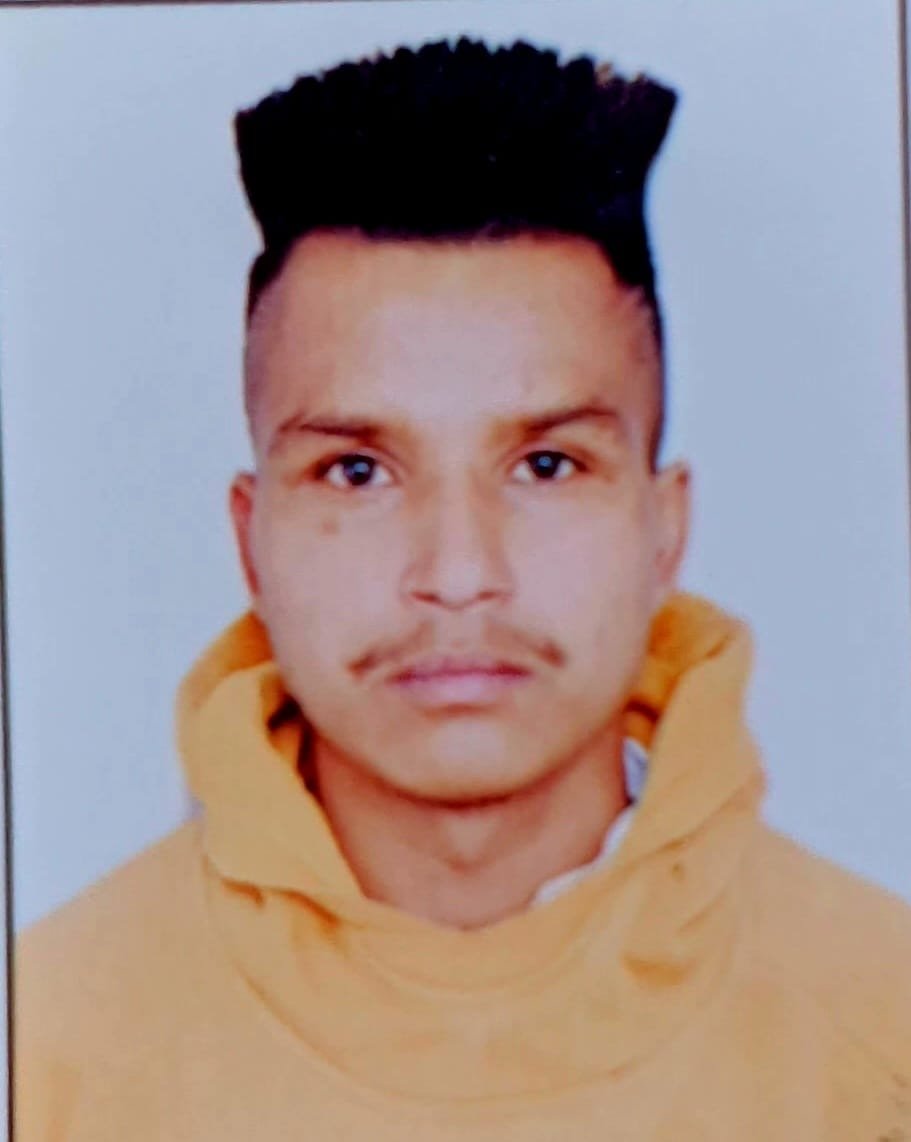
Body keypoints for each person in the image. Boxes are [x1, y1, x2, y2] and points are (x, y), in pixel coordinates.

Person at [15, 37, 911, 1140]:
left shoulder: (885, 1037)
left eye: (546, 466)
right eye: (357, 471)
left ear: (662, 529)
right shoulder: (44, 1055)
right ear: (251, 544)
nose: (456, 574)